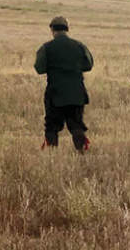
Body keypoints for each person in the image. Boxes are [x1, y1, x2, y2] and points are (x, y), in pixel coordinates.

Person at [34, 16, 93, 152]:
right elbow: (89, 65)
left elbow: (39, 68)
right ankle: (81, 152)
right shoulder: (79, 46)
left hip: (55, 93)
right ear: (67, 30)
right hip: (77, 93)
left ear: (52, 30)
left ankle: (52, 155)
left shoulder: (46, 47)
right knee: (76, 125)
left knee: (52, 126)